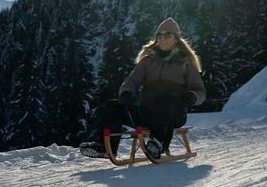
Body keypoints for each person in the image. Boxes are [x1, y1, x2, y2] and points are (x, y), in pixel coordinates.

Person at [79, 17, 206, 159]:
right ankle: (105, 146)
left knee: (164, 98)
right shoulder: (147, 61)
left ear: (176, 38)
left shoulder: (185, 63)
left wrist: (193, 96)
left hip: (172, 114)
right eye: (159, 35)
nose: (162, 39)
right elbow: (132, 80)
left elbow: (200, 91)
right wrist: (126, 92)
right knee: (113, 105)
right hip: (147, 113)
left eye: (167, 35)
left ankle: (158, 143)